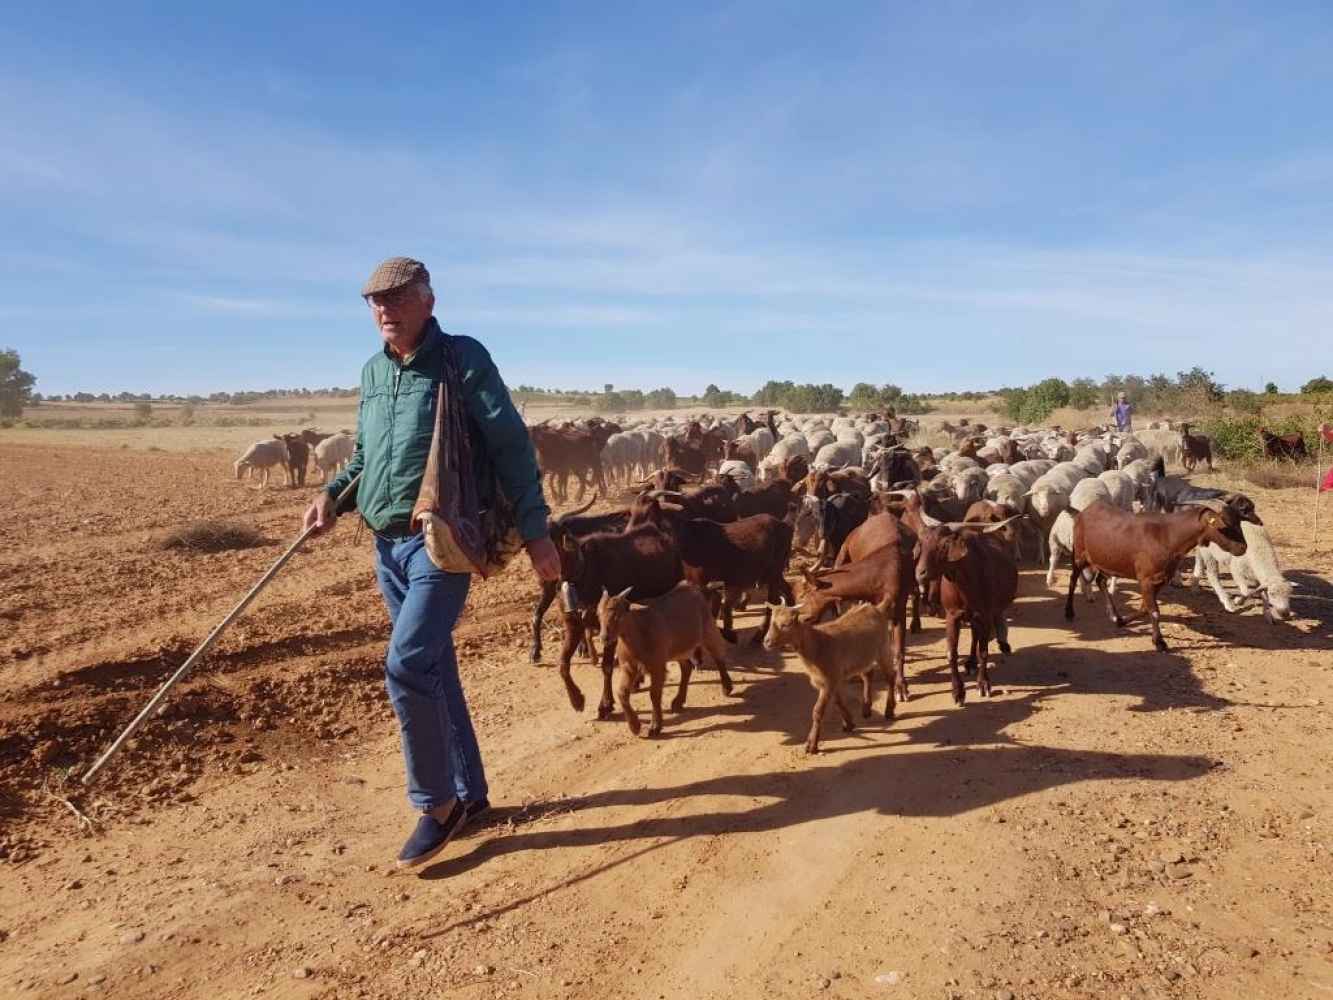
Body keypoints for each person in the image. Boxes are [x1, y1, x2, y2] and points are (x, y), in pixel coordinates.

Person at [303, 257, 560, 868]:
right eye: (374, 302)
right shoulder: (373, 371)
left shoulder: (461, 359)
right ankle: (470, 798)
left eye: (397, 298)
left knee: (408, 664)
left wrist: (537, 531)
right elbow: (368, 455)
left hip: (440, 538)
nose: (385, 311)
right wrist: (331, 497)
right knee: (434, 667)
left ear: (428, 300)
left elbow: (510, 444)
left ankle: (436, 805)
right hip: (384, 542)